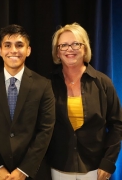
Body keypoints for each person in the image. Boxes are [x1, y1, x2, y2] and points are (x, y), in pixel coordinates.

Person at [0, 24, 55, 180]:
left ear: (28, 50)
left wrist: (23, 170)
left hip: (32, 173)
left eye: (19, 45)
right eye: (7, 45)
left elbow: (45, 130)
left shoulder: (43, 85)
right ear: (0, 51)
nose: (13, 50)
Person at [47, 22, 122, 180]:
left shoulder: (103, 83)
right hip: (57, 168)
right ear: (57, 52)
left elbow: (117, 125)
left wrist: (108, 162)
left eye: (75, 44)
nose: (70, 49)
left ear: (85, 48)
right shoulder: (47, 84)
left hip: (95, 169)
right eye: (64, 45)